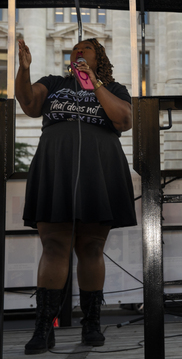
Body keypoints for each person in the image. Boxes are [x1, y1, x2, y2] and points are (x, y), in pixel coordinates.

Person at [15, 39, 136, 354]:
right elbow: (29, 105)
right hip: (57, 166)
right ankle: (44, 327)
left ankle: (91, 323)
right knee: (54, 245)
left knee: (92, 246)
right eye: (74, 49)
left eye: (86, 48)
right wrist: (24, 70)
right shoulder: (54, 84)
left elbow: (123, 120)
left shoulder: (115, 88)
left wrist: (94, 83)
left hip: (99, 167)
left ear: (100, 57)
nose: (78, 52)